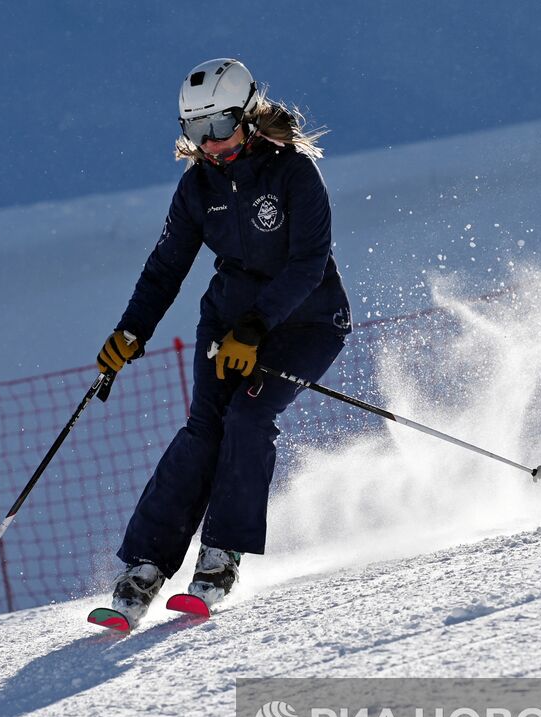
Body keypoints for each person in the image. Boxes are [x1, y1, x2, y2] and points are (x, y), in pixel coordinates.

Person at [96, 58, 351, 628]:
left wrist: (257, 327)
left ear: (250, 116)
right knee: (204, 428)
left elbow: (309, 263)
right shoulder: (197, 187)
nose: (210, 143)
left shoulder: (294, 174)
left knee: (248, 416)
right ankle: (145, 567)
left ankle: (220, 556)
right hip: (229, 324)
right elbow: (166, 267)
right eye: (196, 130)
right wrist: (131, 330)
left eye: (220, 127)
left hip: (307, 322)